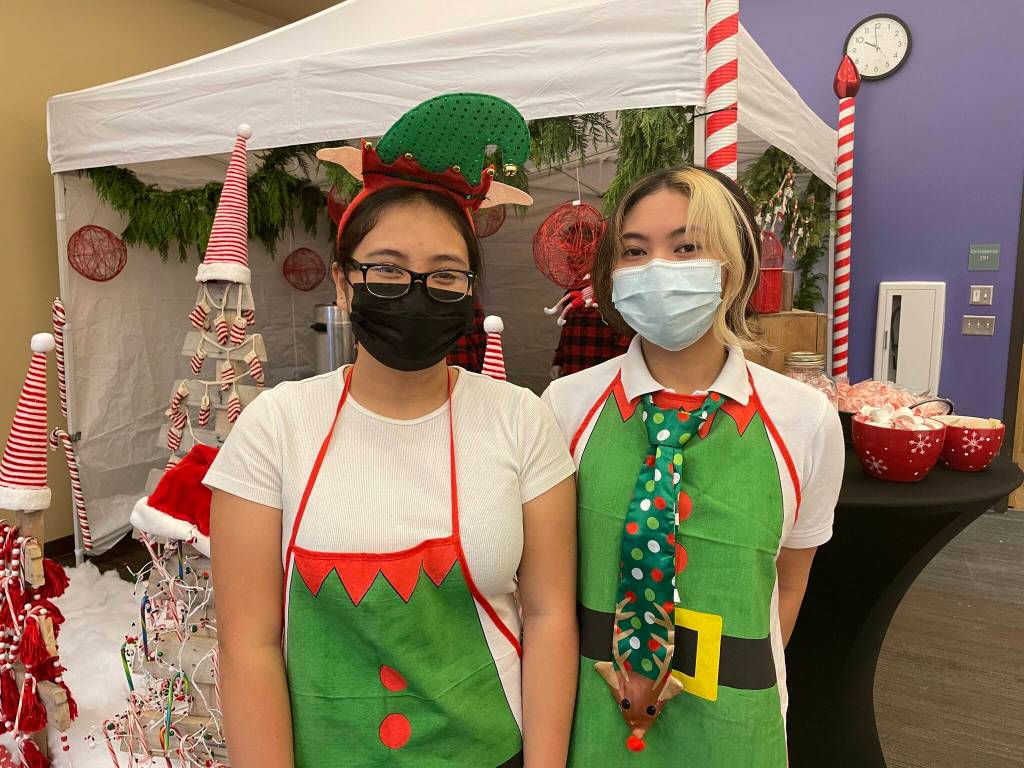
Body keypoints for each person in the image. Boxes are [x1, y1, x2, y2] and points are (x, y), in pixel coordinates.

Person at [206, 94, 578, 768]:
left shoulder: (521, 420)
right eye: (385, 268)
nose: (415, 289)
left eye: (445, 274)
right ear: (343, 283)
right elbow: (248, 643)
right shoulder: (275, 428)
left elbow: (551, 615)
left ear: (470, 290)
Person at [542, 166, 844, 765]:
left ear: (732, 265)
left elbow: (790, 579)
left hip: (735, 724)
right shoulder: (565, 407)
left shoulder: (804, 419)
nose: (658, 268)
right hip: (592, 721)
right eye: (634, 251)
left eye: (686, 248)